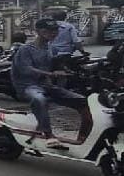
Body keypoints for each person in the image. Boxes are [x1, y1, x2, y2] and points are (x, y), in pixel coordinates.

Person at [11, 18, 88, 148]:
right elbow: (26, 70)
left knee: (82, 100)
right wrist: (51, 74)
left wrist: (66, 70)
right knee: (39, 99)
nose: (54, 33)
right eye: (49, 30)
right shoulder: (25, 49)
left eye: (55, 30)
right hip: (27, 86)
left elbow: (56, 64)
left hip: (46, 85)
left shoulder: (51, 48)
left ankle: (84, 136)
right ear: (39, 31)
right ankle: (48, 135)